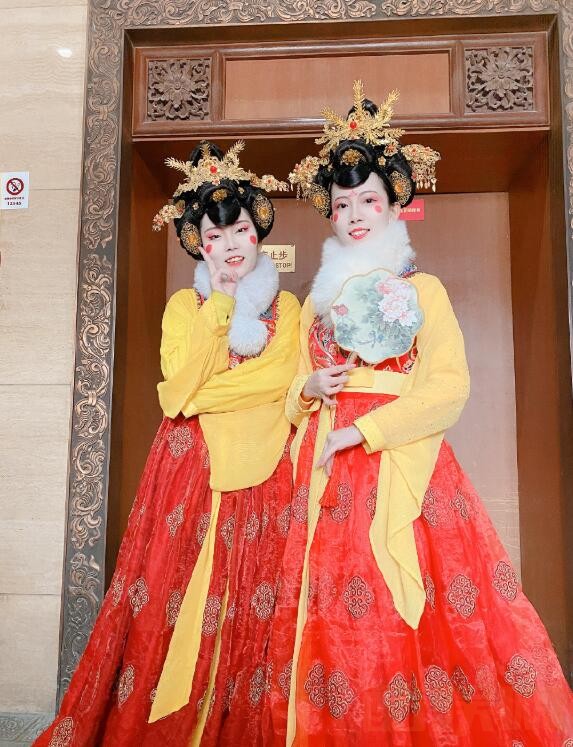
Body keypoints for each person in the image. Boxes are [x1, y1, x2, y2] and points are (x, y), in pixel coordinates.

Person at [265, 83, 573, 746]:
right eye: (341, 204)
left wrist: (365, 428)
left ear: (393, 204)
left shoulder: (422, 290)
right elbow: (290, 393)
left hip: (403, 463)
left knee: (405, 609)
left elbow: (449, 389)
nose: (353, 215)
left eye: (367, 200)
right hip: (321, 470)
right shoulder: (315, 303)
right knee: (321, 611)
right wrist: (309, 387)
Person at [35, 141, 300, 747]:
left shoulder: (287, 306)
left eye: (239, 230)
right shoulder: (187, 305)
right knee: (178, 597)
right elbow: (176, 387)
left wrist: (202, 395)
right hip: (191, 469)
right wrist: (221, 306)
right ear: (199, 246)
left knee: (252, 601)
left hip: (265, 466)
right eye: (214, 236)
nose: (230, 246)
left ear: (257, 231)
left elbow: (278, 379)